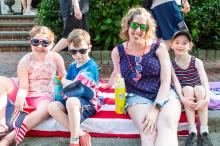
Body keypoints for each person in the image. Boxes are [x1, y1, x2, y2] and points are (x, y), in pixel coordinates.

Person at [101, 7, 181, 146]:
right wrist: (106, 85)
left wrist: (156, 108)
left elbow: (166, 81)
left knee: (167, 125)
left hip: (165, 94)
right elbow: (116, 73)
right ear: (127, 25)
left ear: (147, 29)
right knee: (148, 130)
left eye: (142, 27)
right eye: (134, 25)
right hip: (137, 96)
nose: (138, 31)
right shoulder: (118, 51)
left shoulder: (159, 48)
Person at [0, 25, 66, 146]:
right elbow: (24, 86)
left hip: (44, 95)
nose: (40, 46)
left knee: (47, 108)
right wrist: (20, 96)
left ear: (51, 44)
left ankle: (11, 137)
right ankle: (2, 124)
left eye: (45, 43)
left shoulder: (56, 58)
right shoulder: (26, 60)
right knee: (1, 81)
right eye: (35, 42)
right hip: (24, 89)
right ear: (31, 43)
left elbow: (63, 78)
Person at [48, 29, 100, 146]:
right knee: (52, 107)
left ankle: (74, 139)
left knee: (71, 101)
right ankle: (81, 133)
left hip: (87, 101)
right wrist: (61, 81)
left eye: (82, 50)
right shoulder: (72, 65)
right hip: (71, 100)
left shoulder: (91, 65)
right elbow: (66, 85)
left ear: (89, 48)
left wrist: (63, 80)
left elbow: (75, 85)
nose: (78, 55)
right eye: (73, 51)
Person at [170, 30, 213, 146]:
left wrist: (207, 99)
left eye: (184, 43)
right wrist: (182, 98)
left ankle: (204, 131)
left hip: (199, 95)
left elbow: (204, 80)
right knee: (188, 89)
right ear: (172, 45)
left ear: (190, 46)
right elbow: (176, 83)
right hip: (186, 95)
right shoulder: (171, 64)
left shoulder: (196, 62)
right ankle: (192, 131)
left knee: (199, 89)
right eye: (177, 42)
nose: (180, 45)